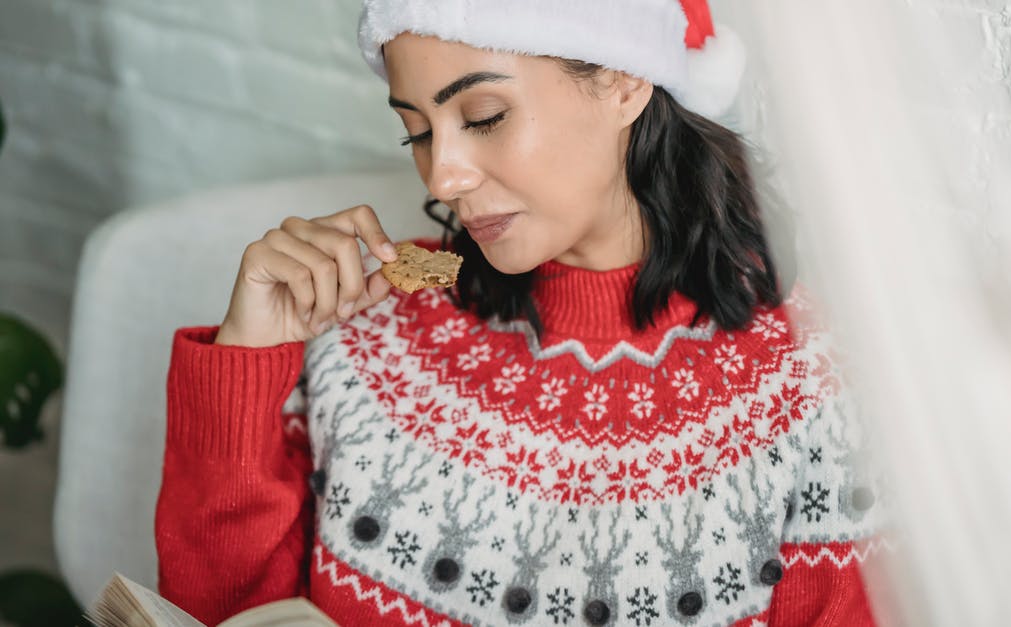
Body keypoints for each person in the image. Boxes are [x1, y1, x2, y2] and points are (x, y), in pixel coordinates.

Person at [154, 1, 886, 624]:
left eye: (485, 115)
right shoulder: (364, 324)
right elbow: (223, 613)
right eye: (417, 128)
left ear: (625, 79)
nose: (442, 174)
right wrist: (247, 362)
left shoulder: (813, 384)